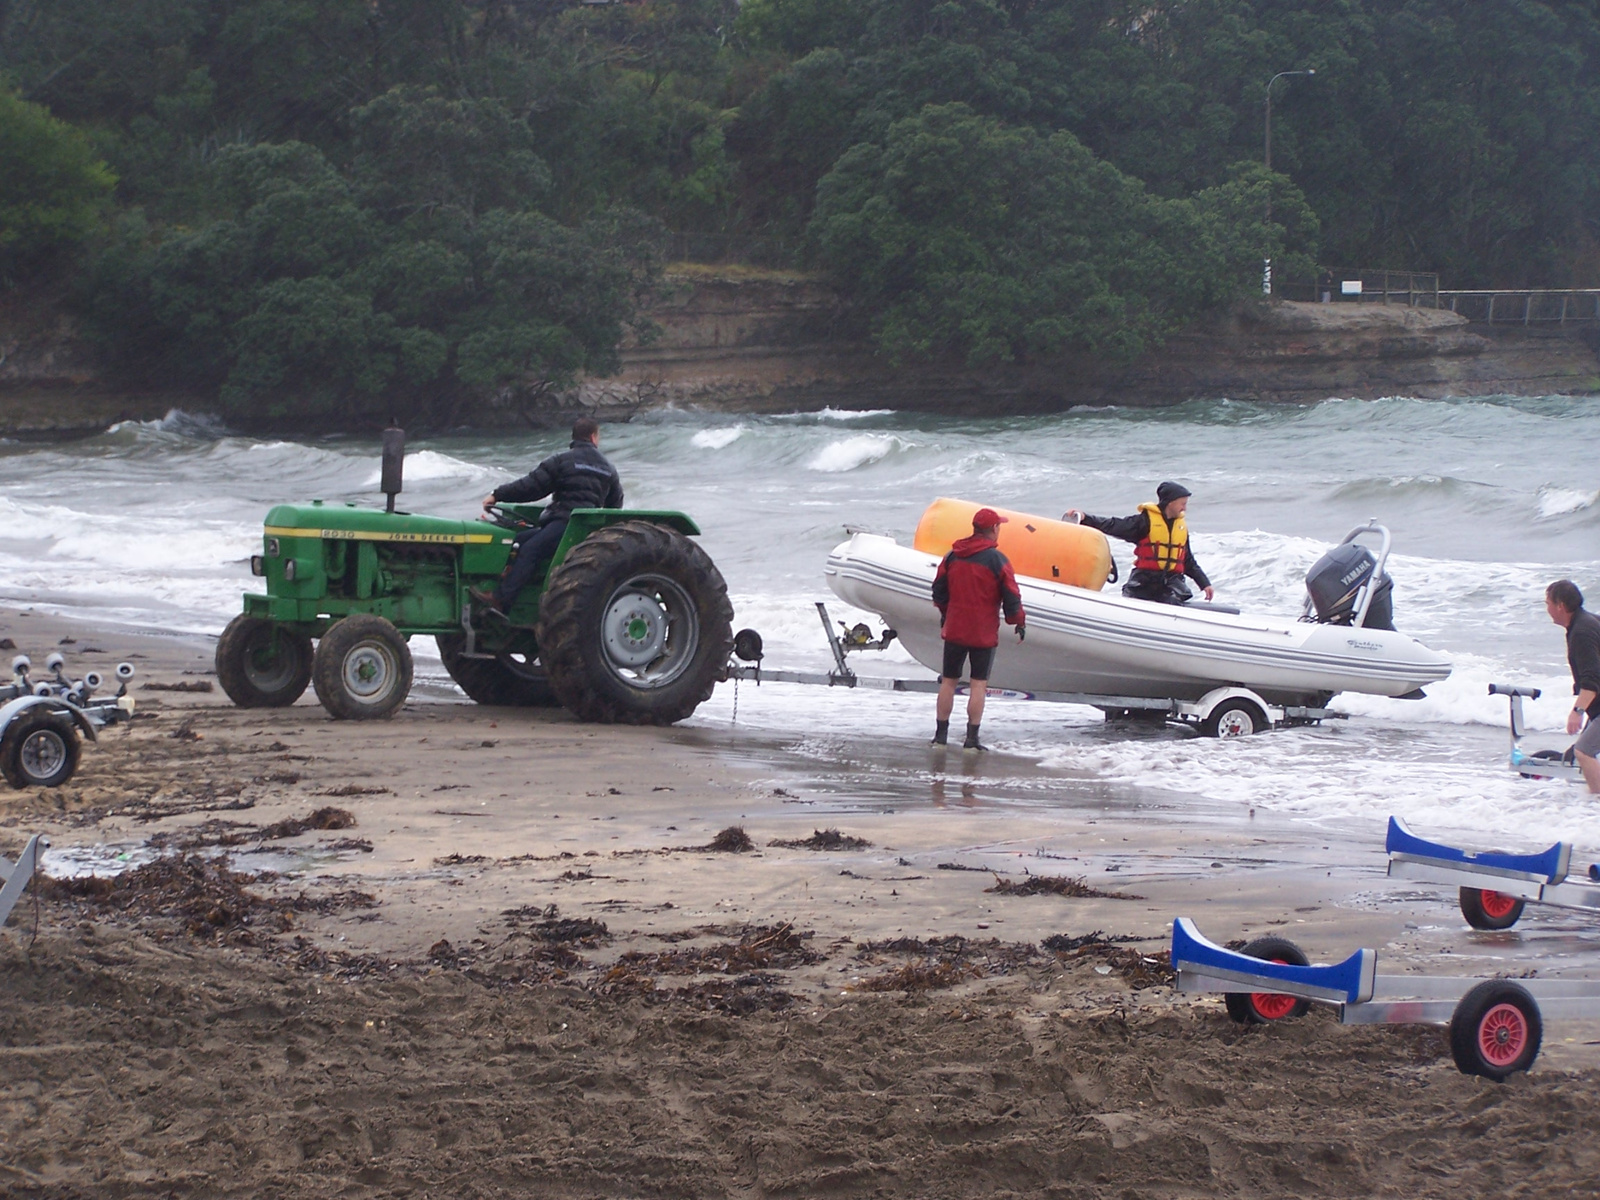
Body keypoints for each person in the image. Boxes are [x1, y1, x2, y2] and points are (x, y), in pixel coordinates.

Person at [470, 416, 623, 617]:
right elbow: (615, 505)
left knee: (530, 550)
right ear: (594, 437)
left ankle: (501, 601)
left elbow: (530, 487)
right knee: (514, 541)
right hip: (582, 529)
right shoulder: (608, 468)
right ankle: (510, 581)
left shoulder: (562, 461)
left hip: (564, 524)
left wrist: (498, 494)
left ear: (574, 437)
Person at [931, 508, 1026, 750]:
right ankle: (971, 740)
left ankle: (940, 737)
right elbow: (1011, 595)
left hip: (955, 628)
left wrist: (945, 613)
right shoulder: (998, 561)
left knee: (948, 682)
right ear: (993, 529)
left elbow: (938, 589)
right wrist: (1018, 621)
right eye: (998, 527)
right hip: (982, 633)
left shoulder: (953, 556)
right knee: (978, 684)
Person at [1065, 481, 1214, 606]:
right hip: (1144, 580)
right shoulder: (1144, 522)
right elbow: (1113, 525)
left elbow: (1187, 560)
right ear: (1170, 502)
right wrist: (1085, 518)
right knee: (1134, 594)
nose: (1184, 508)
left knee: (1172, 598)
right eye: (1182, 504)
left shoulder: (1180, 527)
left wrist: (1204, 583)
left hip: (1172, 583)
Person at [1546, 579, 1600, 793]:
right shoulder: (1588, 622)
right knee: (1580, 751)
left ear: (1560, 606)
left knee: (1584, 751)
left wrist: (1577, 712)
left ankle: (1595, 807)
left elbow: (1592, 681)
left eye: (1548, 603)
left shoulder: (1581, 633)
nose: (1547, 608)